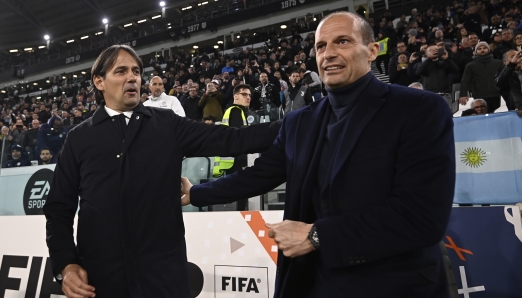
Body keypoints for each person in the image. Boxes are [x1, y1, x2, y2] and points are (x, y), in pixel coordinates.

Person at [182, 11, 455, 297]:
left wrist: (317, 235)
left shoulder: (419, 109)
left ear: (372, 50)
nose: (329, 54)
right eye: (321, 46)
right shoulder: (299, 121)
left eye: (343, 41)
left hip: (393, 282)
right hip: (313, 281)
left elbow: (422, 218)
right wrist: (198, 193)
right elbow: (257, 176)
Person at [43, 45, 281, 298]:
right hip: (101, 279)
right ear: (99, 81)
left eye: (136, 71)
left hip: (163, 279)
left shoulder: (168, 124)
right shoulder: (79, 138)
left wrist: (301, 122)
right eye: (121, 71)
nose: (132, 77)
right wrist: (65, 264)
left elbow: (233, 139)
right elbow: (59, 207)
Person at [459, 42, 503, 112]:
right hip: (479, 96)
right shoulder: (470, 66)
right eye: (479, 49)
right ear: (475, 52)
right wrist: (463, 94)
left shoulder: (498, 63)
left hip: (498, 95)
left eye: (484, 48)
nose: (482, 50)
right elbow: (465, 81)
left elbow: (505, 78)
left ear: (488, 50)